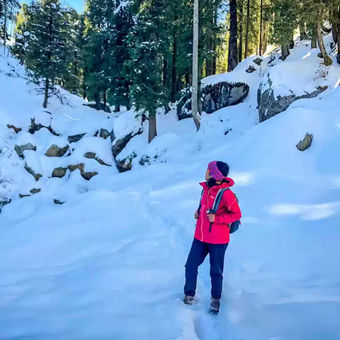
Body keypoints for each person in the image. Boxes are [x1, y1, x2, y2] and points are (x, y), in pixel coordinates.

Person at [183, 161, 242, 314]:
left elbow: (236, 214)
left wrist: (217, 219)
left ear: (215, 174)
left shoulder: (227, 194)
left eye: (208, 169)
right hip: (200, 237)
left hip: (218, 240)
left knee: (215, 271)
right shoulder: (205, 189)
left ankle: (215, 300)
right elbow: (204, 206)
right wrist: (198, 212)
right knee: (190, 265)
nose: (206, 171)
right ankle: (189, 295)